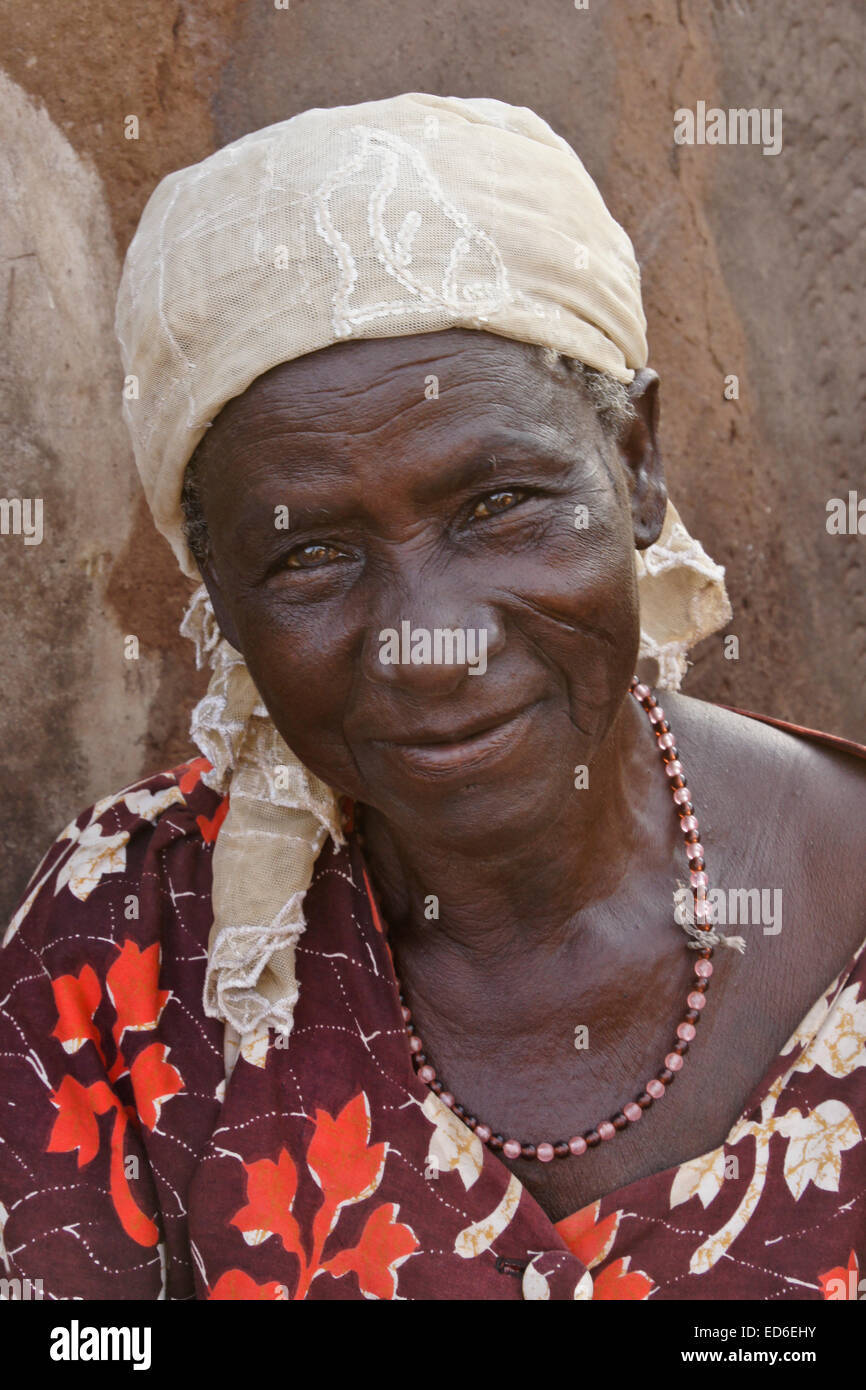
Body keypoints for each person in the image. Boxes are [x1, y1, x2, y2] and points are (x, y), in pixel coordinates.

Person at [1, 94, 864, 1302]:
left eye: (498, 502)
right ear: (220, 601)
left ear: (636, 466)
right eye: (310, 555)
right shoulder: (124, 945)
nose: (429, 640)